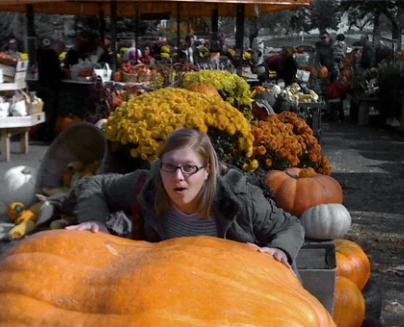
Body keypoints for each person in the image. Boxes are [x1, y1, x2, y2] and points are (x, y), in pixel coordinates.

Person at [66, 128, 304, 272]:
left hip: (231, 289)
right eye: (169, 166)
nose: (178, 177)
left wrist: (280, 248)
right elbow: (93, 184)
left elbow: (290, 225)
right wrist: (94, 220)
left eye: (189, 167)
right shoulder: (148, 186)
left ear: (208, 170)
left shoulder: (240, 199)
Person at [36, 36, 61, 143]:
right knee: (50, 112)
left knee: (41, 110)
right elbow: (57, 72)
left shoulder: (41, 54)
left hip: (41, 84)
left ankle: (39, 132)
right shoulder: (53, 56)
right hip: (51, 86)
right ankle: (48, 135)